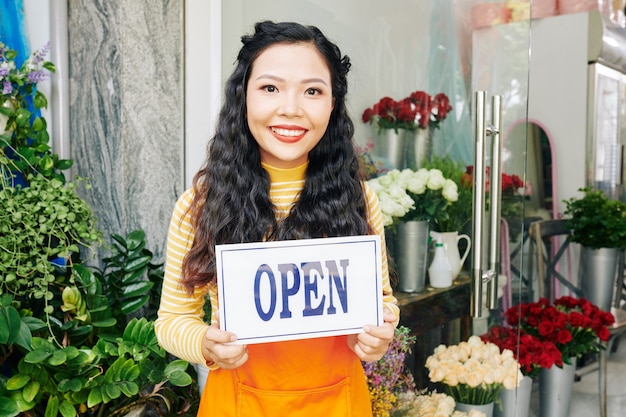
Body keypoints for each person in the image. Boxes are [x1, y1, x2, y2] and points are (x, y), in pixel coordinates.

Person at [155, 20, 399, 416]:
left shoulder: (360, 199)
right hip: (237, 403)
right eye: (270, 88)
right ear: (243, 98)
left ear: (332, 104)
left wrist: (379, 334)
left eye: (313, 91)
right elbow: (172, 321)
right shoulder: (199, 204)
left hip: (340, 401)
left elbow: (384, 302)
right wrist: (205, 343)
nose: (291, 108)